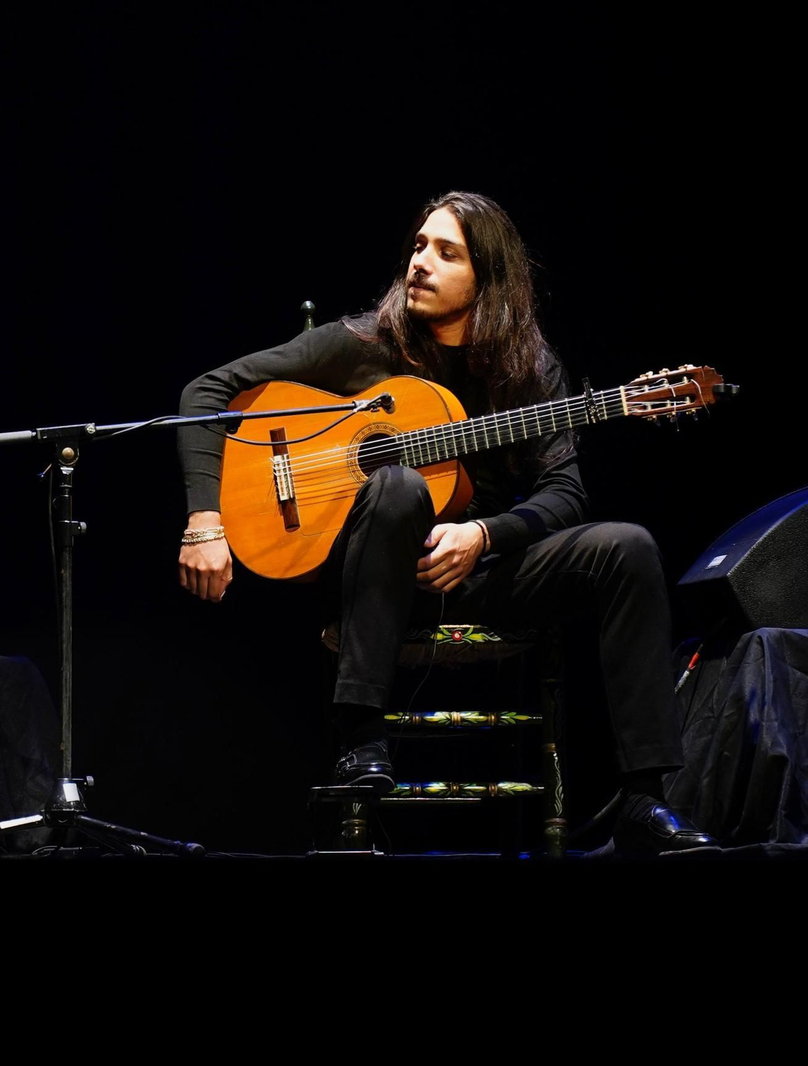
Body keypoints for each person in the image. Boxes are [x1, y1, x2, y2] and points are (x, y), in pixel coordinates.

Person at [175, 191, 712, 855]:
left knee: (627, 547)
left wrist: (486, 533)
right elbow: (205, 391)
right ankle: (359, 741)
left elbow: (565, 493)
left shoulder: (529, 369)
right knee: (398, 486)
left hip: (477, 569)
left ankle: (643, 800)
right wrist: (205, 519)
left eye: (446, 252)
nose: (420, 263)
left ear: (486, 278)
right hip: (374, 579)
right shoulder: (362, 343)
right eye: (419, 246)